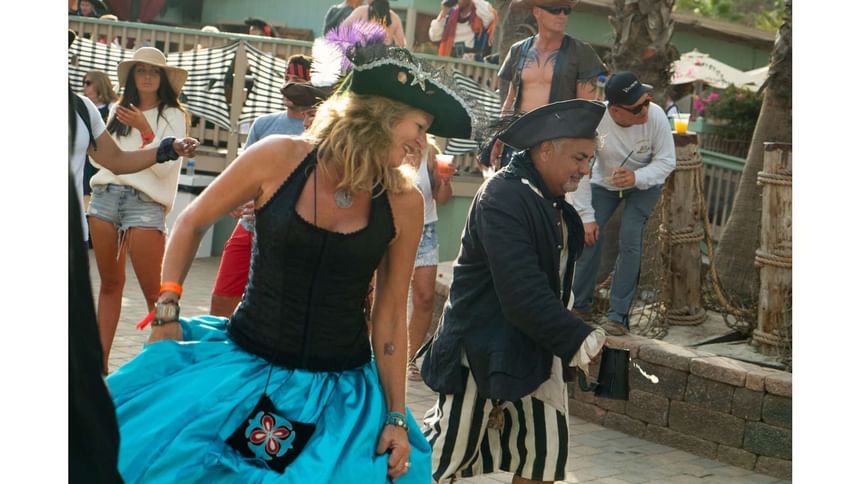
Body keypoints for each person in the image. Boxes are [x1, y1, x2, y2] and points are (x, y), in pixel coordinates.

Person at [105, 41, 473, 482]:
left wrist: (395, 415)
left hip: (341, 399)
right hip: (242, 369)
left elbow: (392, 314)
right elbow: (191, 221)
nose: (422, 143)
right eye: (418, 127)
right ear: (379, 115)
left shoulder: (404, 202)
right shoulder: (278, 157)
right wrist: (167, 309)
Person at [421, 99, 607, 483]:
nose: (585, 169)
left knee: (542, 459)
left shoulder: (551, 202)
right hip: (481, 347)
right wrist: (578, 338)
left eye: (589, 159)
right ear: (545, 149)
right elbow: (521, 290)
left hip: (537, 348)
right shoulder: (502, 196)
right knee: (442, 462)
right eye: (579, 158)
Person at [87, 47, 189, 371]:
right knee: (109, 284)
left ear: (163, 78)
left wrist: (146, 130)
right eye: (141, 70)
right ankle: (99, 367)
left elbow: (162, 171)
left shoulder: (174, 115)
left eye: (154, 71)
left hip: (145, 204)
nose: (146, 76)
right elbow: (97, 157)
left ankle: (165, 368)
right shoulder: (118, 108)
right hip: (104, 197)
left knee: (156, 294)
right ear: (132, 76)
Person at [568, 71, 676, 335]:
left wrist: (636, 177)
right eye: (637, 107)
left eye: (647, 101)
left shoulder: (657, 116)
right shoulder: (595, 121)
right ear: (615, 110)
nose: (645, 110)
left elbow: (666, 161)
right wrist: (586, 216)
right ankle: (578, 306)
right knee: (588, 236)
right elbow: (580, 168)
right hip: (604, 184)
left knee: (630, 239)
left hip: (644, 184)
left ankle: (618, 316)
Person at [210, 54, 315, 317]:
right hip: (249, 225)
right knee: (221, 300)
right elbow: (243, 175)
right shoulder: (264, 124)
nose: (290, 86)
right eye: (287, 79)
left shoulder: (323, 129)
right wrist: (236, 199)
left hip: (293, 233)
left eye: (298, 80)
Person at [490, 0, 607, 168]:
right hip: (518, 139)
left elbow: (584, 111)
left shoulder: (581, 52)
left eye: (566, 11)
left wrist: (574, 151)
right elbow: (510, 100)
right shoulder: (518, 50)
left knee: (546, 194)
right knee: (510, 192)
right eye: (555, 10)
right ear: (537, 12)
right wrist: (499, 137)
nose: (562, 16)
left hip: (556, 144)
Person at [405, 136, 452, 382]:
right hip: (394, 228)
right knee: (384, 296)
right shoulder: (392, 147)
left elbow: (442, 199)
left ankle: (409, 358)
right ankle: (376, 354)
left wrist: (444, 181)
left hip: (426, 230)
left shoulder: (431, 154)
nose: (420, 134)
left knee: (424, 298)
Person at [428, 0, 496, 62]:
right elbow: (434, 36)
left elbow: (490, 16)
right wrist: (444, 11)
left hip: (471, 64)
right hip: (450, 61)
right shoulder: (450, 15)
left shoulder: (479, 14)